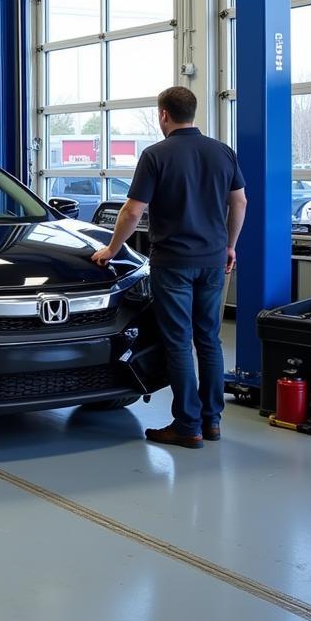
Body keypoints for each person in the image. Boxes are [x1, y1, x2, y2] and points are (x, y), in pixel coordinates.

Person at [90, 86, 247, 449]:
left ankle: (186, 424)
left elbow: (132, 211)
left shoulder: (156, 155)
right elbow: (239, 202)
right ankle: (212, 422)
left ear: (164, 115)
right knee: (209, 339)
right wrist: (230, 246)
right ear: (193, 111)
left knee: (178, 343)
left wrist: (112, 250)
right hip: (212, 261)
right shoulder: (223, 152)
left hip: (173, 262)